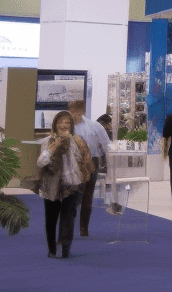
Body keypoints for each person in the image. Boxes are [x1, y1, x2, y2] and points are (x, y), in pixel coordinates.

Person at [35, 110, 94, 259]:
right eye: (61, 122)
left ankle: (66, 247)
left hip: (72, 184)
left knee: (68, 217)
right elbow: (41, 162)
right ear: (55, 124)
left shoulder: (77, 141)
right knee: (51, 218)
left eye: (67, 122)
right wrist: (55, 146)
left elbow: (83, 161)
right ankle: (52, 249)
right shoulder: (48, 141)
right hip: (52, 185)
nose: (64, 125)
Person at [67, 100, 109, 237]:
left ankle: (84, 228)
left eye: (75, 110)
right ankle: (69, 226)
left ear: (82, 111)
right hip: (71, 163)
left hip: (91, 163)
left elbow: (107, 145)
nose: (72, 113)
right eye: (70, 109)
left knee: (87, 196)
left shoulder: (94, 126)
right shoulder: (65, 126)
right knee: (72, 195)